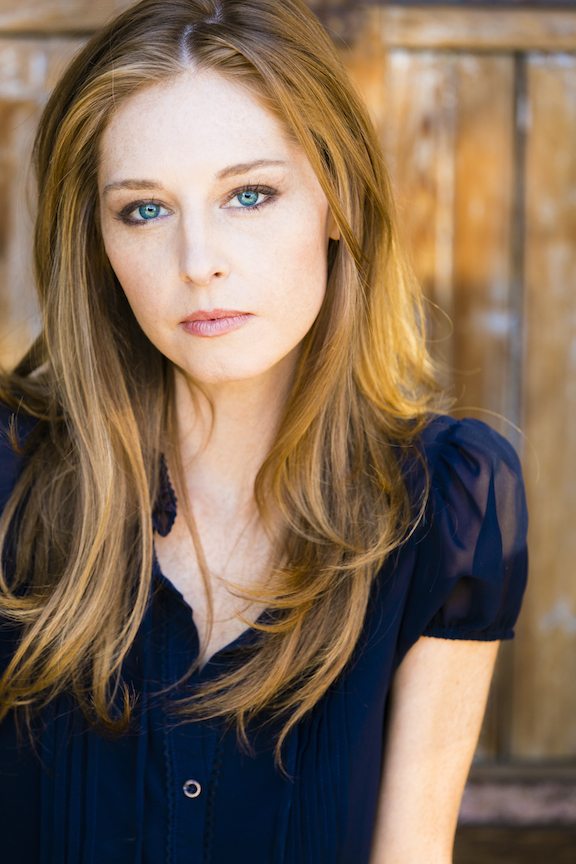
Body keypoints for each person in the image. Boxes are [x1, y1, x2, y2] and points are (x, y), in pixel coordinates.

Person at [0, 1, 528, 861]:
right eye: (144, 210)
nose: (198, 262)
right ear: (96, 241)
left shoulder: (451, 506)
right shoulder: (10, 473)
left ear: (337, 200)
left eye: (249, 194)